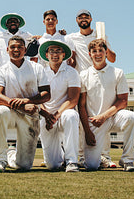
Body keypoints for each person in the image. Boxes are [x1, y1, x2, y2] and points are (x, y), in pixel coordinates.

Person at [0, 35, 51, 172]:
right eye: (12, 47)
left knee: (24, 166)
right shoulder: (1, 70)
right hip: (10, 112)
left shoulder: (37, 68)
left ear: (25, 50)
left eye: (20, 47)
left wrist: (28, 101)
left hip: (30, 113)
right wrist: (22, 105)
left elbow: (46, 94)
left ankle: (10, 154)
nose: (16, 49)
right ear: (7, 50)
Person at [66, 9, 117, 167]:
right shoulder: (71, 37)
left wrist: (104, 44)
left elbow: (113, 59)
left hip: (101, 80)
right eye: (80, 17)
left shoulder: (100, 35)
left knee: (102, 118)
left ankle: (105, 156)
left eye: (86, 17)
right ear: (76, 20)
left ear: (91, 19)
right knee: (81, 120)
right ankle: (80, 156)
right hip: (82, 80)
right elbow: (71, 61)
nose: (83, 19)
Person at [78, 39, 134, 171]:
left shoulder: (118, 72)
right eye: (94, 51)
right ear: (89, 54)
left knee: (132, 118)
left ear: (106, 52)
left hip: (112, 117)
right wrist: (87, 132)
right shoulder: (83, 75)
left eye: (101, 50)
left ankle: (127, 160)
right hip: (94, 122)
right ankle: (96, 158)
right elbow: (81, 106)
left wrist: (104, 116)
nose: (98, 54)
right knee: (91, 166)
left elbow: (123, 101)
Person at [38, 41, 81, 172]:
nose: (55, 54)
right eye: (52, 51)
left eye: (58, 51)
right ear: (46, 55)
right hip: (47, 117)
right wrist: (46, 115)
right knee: (52, 165)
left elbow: (73, 99)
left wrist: (56, 115)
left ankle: (72, 161)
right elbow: (38, 99)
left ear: (63, 55)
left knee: (71, 115)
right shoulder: (41, 72)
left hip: (62, 115)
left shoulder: (71, 72)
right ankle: (61, 158)